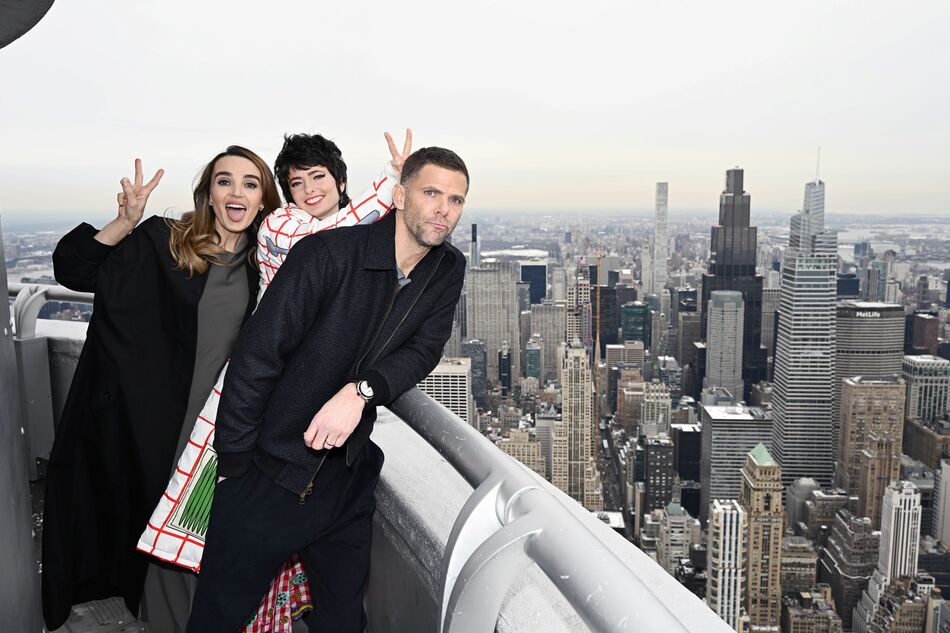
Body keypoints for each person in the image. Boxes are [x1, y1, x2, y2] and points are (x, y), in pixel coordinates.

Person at [137, 130, 412, 633]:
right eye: (297, 182)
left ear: (339, 180)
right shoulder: (283, 228)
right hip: (263, 388)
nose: (309, 190)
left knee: (280, 545)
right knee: (232, 520)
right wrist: (392, 184)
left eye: (319, 178)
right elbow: (337, 232)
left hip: (307, 401)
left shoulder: (364, 240)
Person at [187, 146, 470, 633]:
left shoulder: (447, 268)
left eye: (457, 199)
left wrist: (360, 392)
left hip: (346, 480)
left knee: (342, 621)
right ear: (399, 195)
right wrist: (236, 471)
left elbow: (424, 350)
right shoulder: (328, 253)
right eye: (431, 193)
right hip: (270, 477)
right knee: (218, 618)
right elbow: (257, 357)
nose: (444, 208)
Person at [41, 147, 281, 631]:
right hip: (153, 424)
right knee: (166, 545)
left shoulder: (268, 266)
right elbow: (73, 269)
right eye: (225, 181)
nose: (237, 192)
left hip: (218, 433)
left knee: (198, 543)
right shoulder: (164, 241)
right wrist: (124, 220)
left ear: (263, 201)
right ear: (209, 194)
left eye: (250, 184)